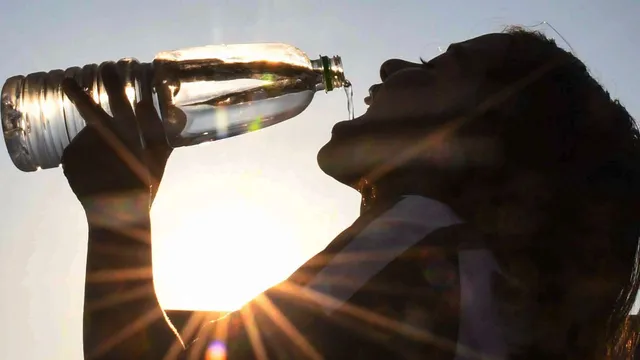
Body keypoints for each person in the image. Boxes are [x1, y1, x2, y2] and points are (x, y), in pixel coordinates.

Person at [60, 26, 640, 359]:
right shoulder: (486, 297)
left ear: (483, 132)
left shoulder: (422, 241)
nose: (389, 65)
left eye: (437, 66)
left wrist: (120, 213)